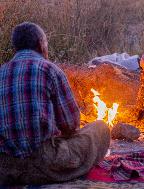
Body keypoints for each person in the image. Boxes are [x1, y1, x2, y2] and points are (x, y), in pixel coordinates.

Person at [0, 22, 110, 185]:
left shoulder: (2, 71)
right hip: (44, 164)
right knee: (100, 128)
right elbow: (71, 124)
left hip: (5, 168)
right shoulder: (49, 70)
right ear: (41, 44)